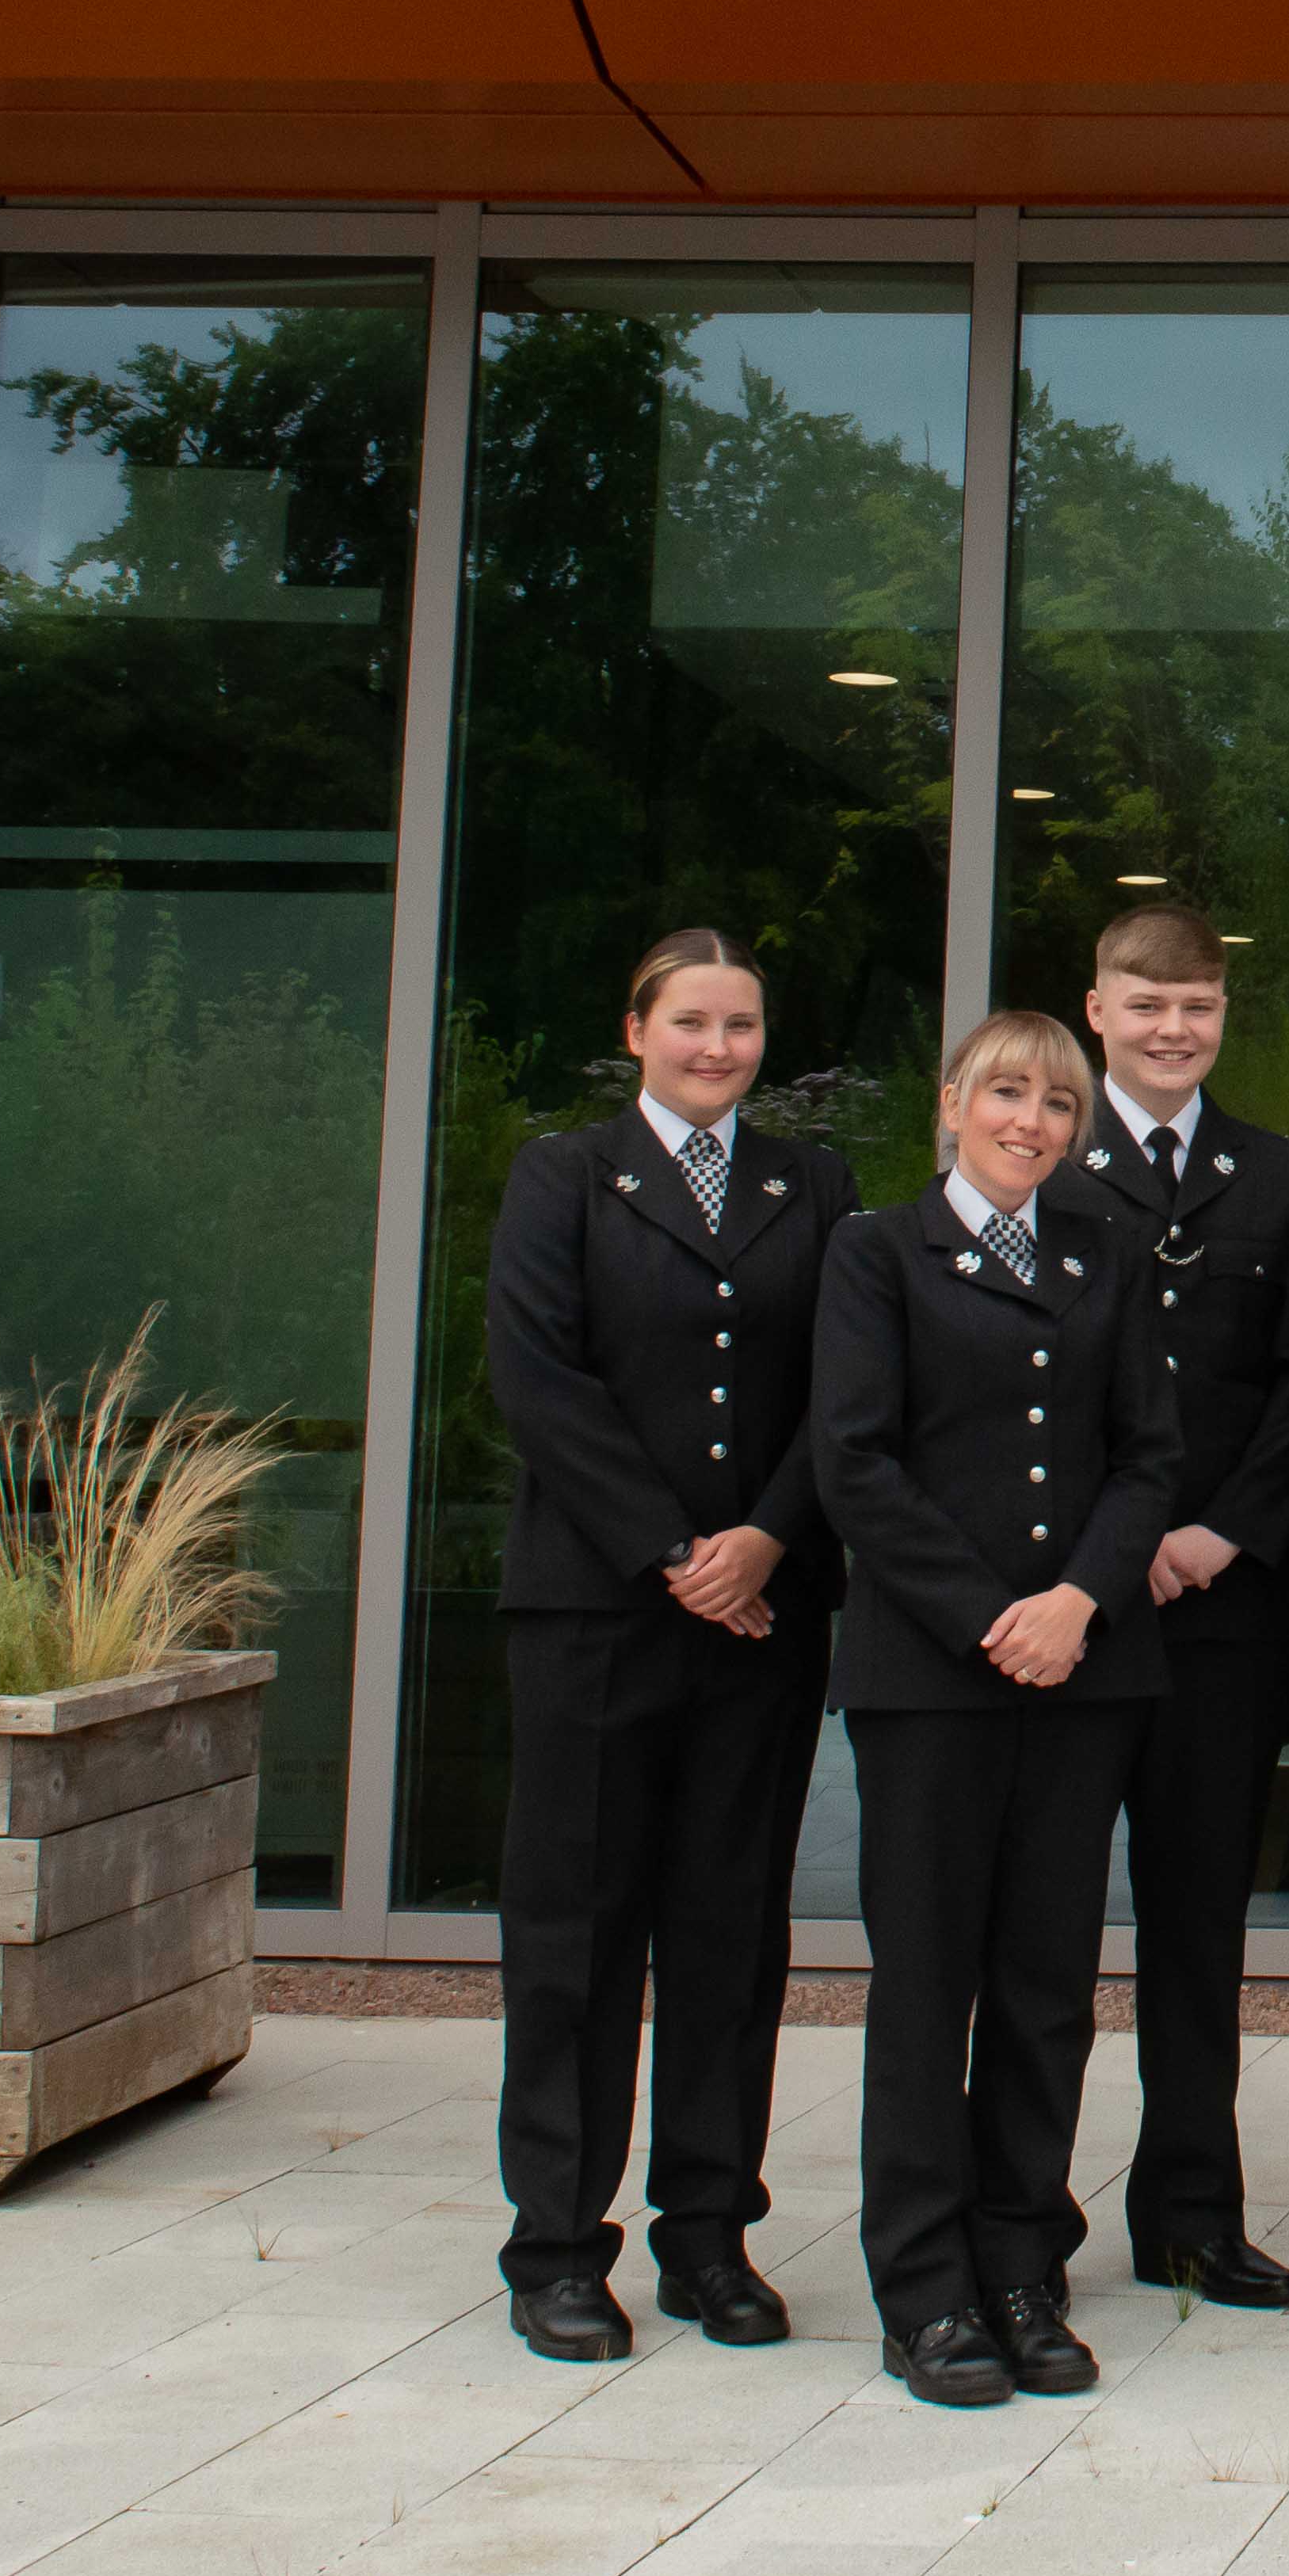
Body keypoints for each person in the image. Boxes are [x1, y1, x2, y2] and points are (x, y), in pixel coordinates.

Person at [811, 1008, 1183, 2410]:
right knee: (926, 1989)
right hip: (934, 1681)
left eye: (1057, 1104)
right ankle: (924, 2288)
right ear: (952, 1103)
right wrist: (992, 1617)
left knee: (1044, 1988)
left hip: (1086, 1672)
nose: (1032, 1121)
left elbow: (1149, 1455)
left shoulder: (1109, 1254)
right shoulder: (874, 1253)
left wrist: (1078, 1605)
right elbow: (855, 1463)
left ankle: (1022, 2263)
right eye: (1007, 1094)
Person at [479, 928, 841, 2364]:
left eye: (741, 1024)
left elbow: (848, 1378)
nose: (717, 1047)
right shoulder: (563, 1176)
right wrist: (679, 1552)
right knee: (573, 1933)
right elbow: (538, 1376)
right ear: (636, 1029)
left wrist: (765, 1536)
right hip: (598, 1609)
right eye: (690, 1021)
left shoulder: (806, 1182)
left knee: (728, 1932)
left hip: (763, 1611)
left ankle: (709, 2234)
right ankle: (559, 2245)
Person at [1054, 901, 1289, 2313]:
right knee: (1040, 1928)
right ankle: (1021, 2218)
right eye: (1146, 1002)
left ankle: (1192, 2213)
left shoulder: (1278, 1178)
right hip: (1066, 1615)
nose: (1175, 1028)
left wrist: (1222, 1532)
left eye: (1199, 1007)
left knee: (1196, 1932)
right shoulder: (1040, 1157)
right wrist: (1116, 1552)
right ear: (1096, 1006)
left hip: (1218, 1610)